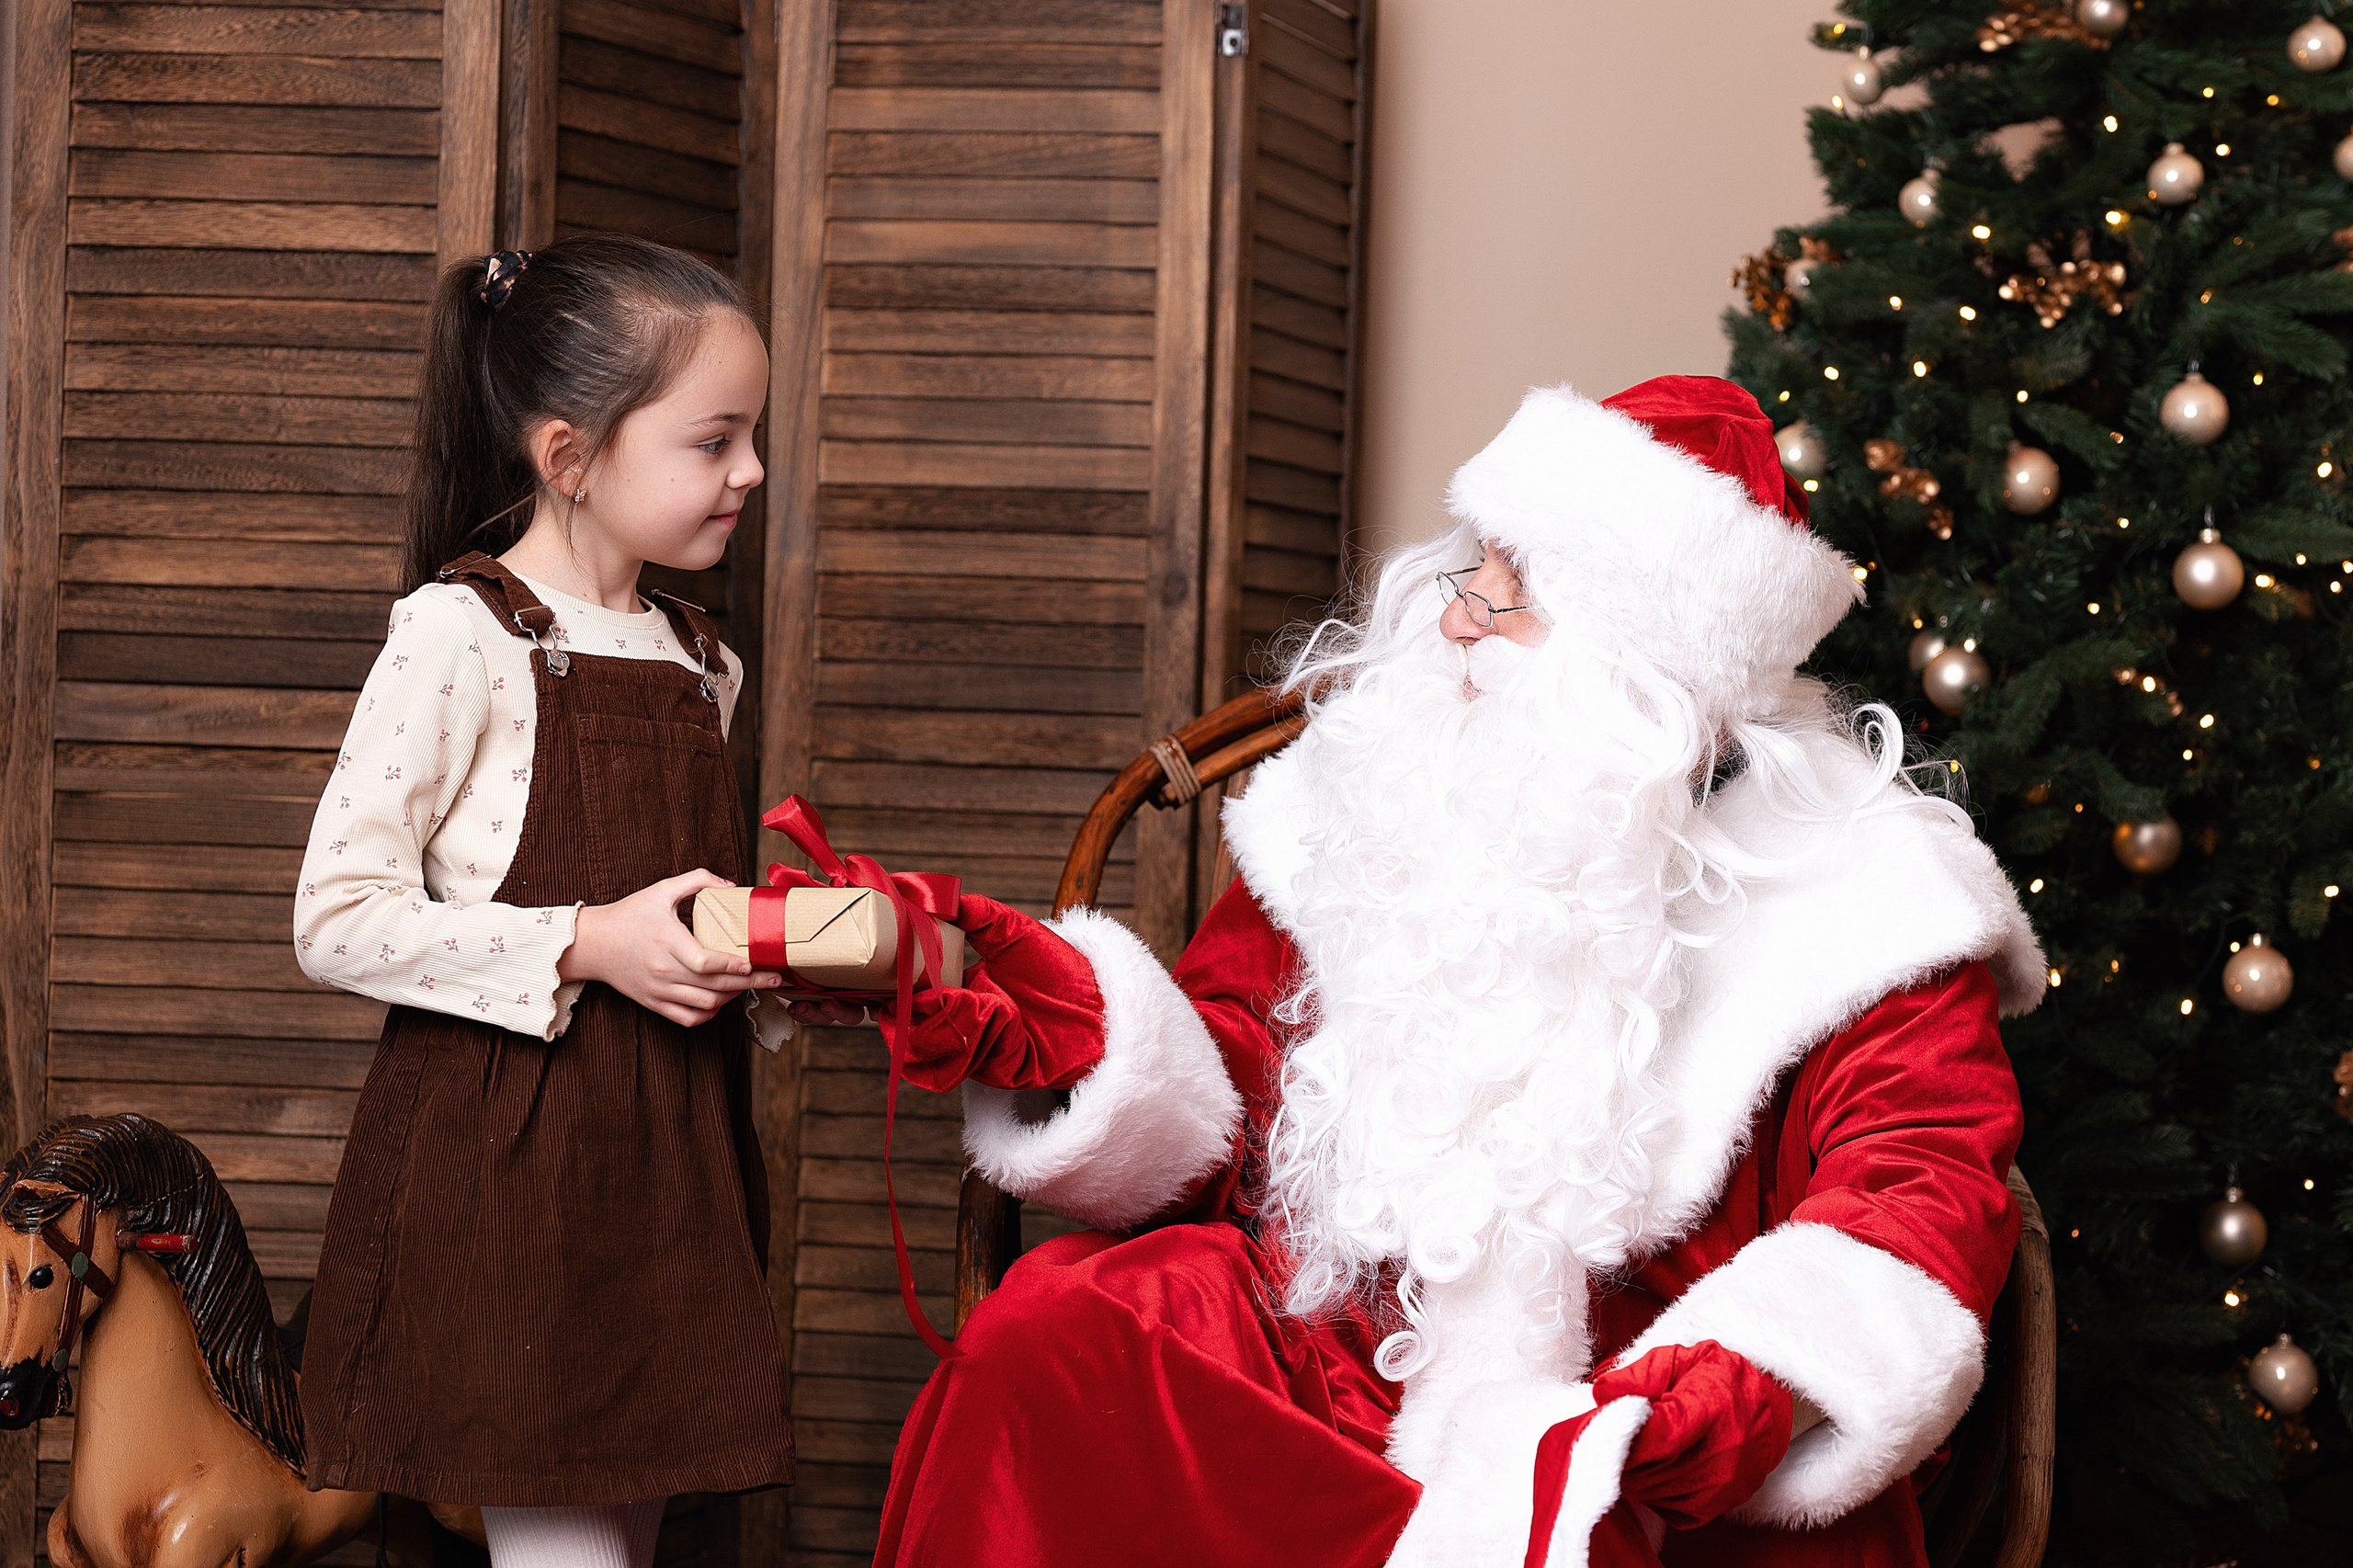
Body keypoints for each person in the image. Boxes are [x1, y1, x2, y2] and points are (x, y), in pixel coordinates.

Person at [813, 378, 2042, 1567]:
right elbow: (1236, 1052)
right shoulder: (1372, 788)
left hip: (1629, 1426)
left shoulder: (1869, 906)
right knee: (1057, 1334)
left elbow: (1914, 1196)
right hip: (1326, 1352)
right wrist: (1059, 1020)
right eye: (1474, 567)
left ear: (1647, 676)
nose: (1459, 613)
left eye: (1514, 596)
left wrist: (1701, 1401)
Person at [293, 236, 791, 1567]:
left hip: (672, 1175)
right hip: (514, 1182)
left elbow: (675, 917)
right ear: (571, 455)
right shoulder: (460, 635)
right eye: (715, 439)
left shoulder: (706, 664)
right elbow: (335, 915)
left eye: (756, 436)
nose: (751, 471)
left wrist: (758, 956)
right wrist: (586, 939)